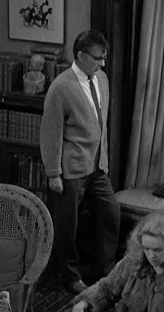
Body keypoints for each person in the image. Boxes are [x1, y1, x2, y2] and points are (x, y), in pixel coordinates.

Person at [40, 29, 121, 294]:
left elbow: (100, 126)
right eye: (98, 58)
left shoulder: (102, 79)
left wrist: (104, 160)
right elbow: (50, 133)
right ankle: (69, 276)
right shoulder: (61, 88)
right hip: (71, 169)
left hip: (96, 167)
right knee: (66, 226)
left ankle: (105, 271)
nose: (102, 63)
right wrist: (54, 173)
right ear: (81, 55)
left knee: (110, 213)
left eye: (104, 58)